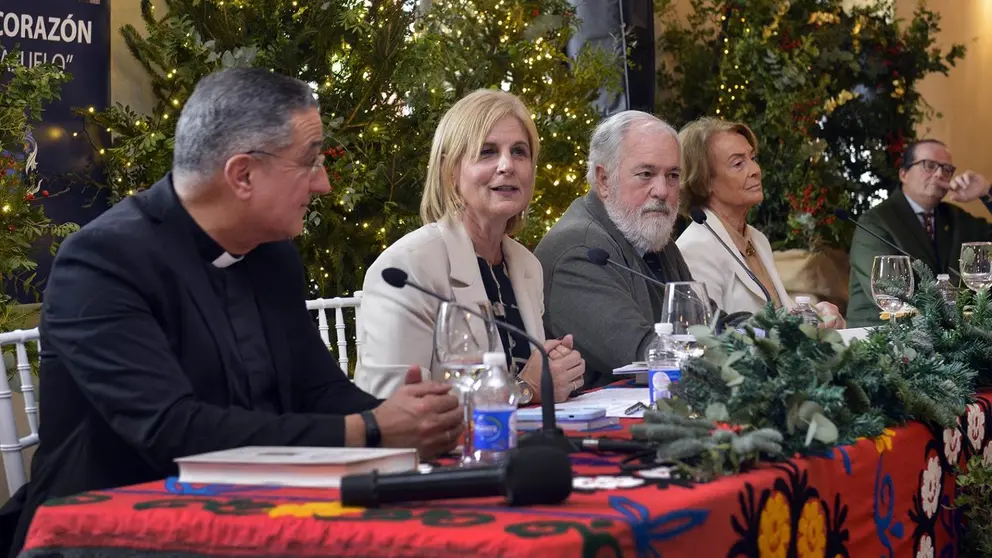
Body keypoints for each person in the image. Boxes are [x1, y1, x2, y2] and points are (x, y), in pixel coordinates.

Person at [3, 68, 463, 558]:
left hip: (256, 510)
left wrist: (410, 419)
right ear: (242, 174)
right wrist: (370, 430)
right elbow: (172, 432)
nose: (324, 184)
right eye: (310, 163)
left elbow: (317, 389)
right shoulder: (102, 261)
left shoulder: (271, 253)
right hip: (109, 531)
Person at [355, 89, 585, 403]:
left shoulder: (528, 266)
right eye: (487, 152)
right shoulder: (407, 266)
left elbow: (528, 374)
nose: (508, 165)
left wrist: (554, 367)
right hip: (439, 452)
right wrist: (524, 389)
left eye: (519, 151)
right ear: (450, 172)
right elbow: (394, 409)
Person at [535, 111, 694, 388]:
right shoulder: (579, 249)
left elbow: (705, 320)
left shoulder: (651, 235)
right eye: (646, 174)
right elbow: (645, 354)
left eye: (672, 175)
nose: (662, 190)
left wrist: (761, 331)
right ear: (604, 180)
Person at [675, 117, 845, 326]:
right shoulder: (694, 249)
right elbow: (711, 339)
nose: (756, 170)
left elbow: (782, 316)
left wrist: (818, 314)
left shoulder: (757, 239)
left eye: (753, 158)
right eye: (738, 163)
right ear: (703, 181)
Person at [847, 139, 992, 326]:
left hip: (951, 340)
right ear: (904, 174)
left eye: (947, 169)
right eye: (929, 165)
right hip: (882, 339)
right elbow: (892, 293)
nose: (940, 173)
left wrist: (987, 192)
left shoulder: (955, 217)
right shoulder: (875, 222)